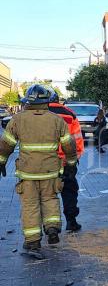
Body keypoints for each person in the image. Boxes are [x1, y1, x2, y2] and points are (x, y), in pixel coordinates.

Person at [0, 85, 77, 256]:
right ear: (46, 101)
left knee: (30, 205)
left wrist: (2, 162)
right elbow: (69, 144)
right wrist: (71, 163)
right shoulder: (56, 120)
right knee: (50, 199)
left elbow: (6, 144)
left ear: (27, 101)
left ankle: (33, 242)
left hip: (28, 173)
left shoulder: (17, 120)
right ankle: (52, 229)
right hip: (50, 171)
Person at [49, 93, 85, 232]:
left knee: (48, 194)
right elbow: (77, 139)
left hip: (46, 162)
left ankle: (49, 226)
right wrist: (75, 158)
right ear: (59, 101)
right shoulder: (70, 114)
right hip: (66, 161)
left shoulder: (40, 114)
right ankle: (71, 222)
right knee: (69, 191)